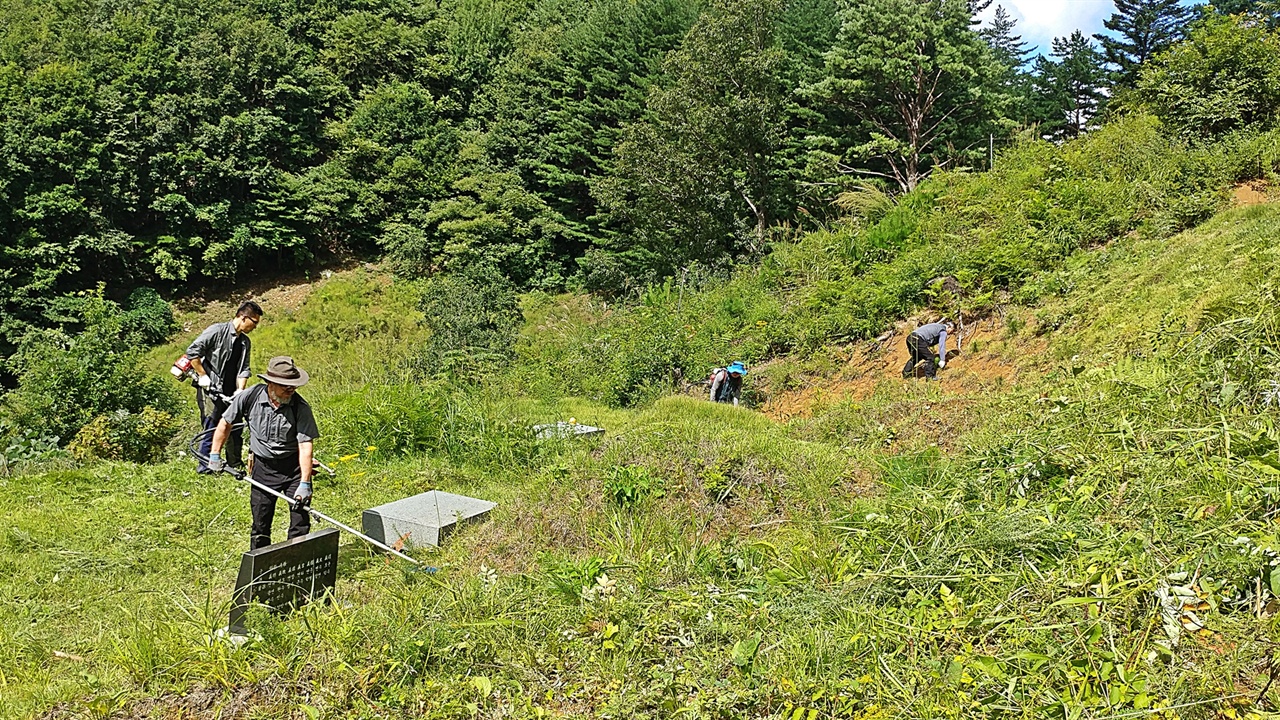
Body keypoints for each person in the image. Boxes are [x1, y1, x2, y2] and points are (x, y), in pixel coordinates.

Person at [208, 356, 320, 550]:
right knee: (261, 521)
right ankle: (260, 567)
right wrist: (215, 454)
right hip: (263, 468)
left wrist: (304, 482)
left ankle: (295, 561)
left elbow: (305, 445)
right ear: (270, 383)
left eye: (293, 385)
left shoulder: (300, 408)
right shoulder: (249, 397)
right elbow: (226, 423)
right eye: (285, 385)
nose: (291, 389)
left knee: (300, 521)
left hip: (293, 468)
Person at [186, 301, 263, 473]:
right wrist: (202, 375)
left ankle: (233, 464)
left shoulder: (245, 342)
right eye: (254, 322)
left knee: (235, 426)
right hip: (210, 389)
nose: (255, 327)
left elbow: (244, 368)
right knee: (212, 425)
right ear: (243, 318)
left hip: (231, 391)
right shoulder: (216, 331)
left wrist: (240, 390)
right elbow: (192, 352)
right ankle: (205, 467)